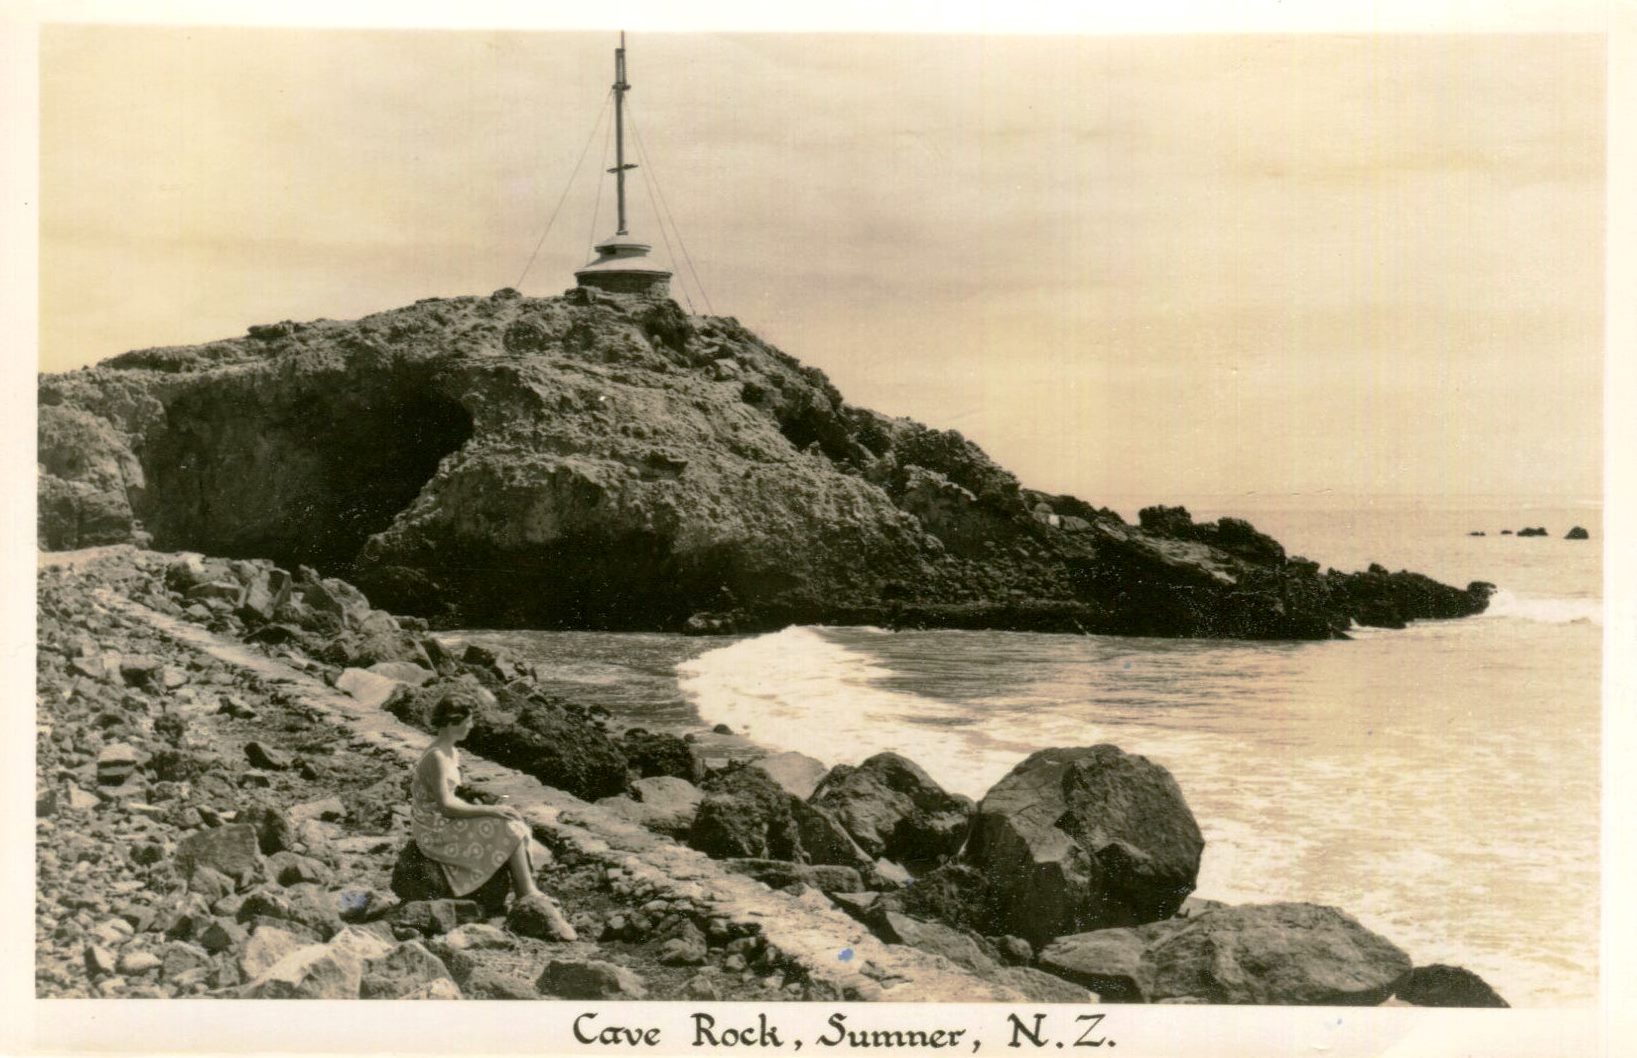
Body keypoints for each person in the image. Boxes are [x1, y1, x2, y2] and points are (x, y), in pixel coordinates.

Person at [411, 694, 575, 940]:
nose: (472, 726)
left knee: (511, 821)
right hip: (433, 828)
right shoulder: (436, 756)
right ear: (454, 722)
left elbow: (449, 800)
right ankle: (526, 891)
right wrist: (489, 810)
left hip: (440, 818)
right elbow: (444, 806)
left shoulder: (451, 751)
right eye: (469, 720)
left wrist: (486, 810)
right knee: (507, 826)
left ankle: (525, 889)